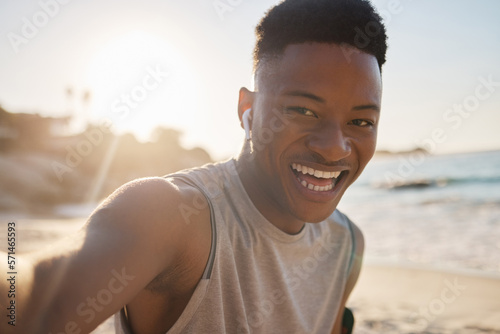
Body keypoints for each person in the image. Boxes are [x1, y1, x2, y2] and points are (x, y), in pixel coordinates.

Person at [1, 0, 387, 333]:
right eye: (302, 110)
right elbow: (30, 292)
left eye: (361, 121)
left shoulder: (346, 244)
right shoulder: (173, 215)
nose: (335, 149)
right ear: (247, 110)